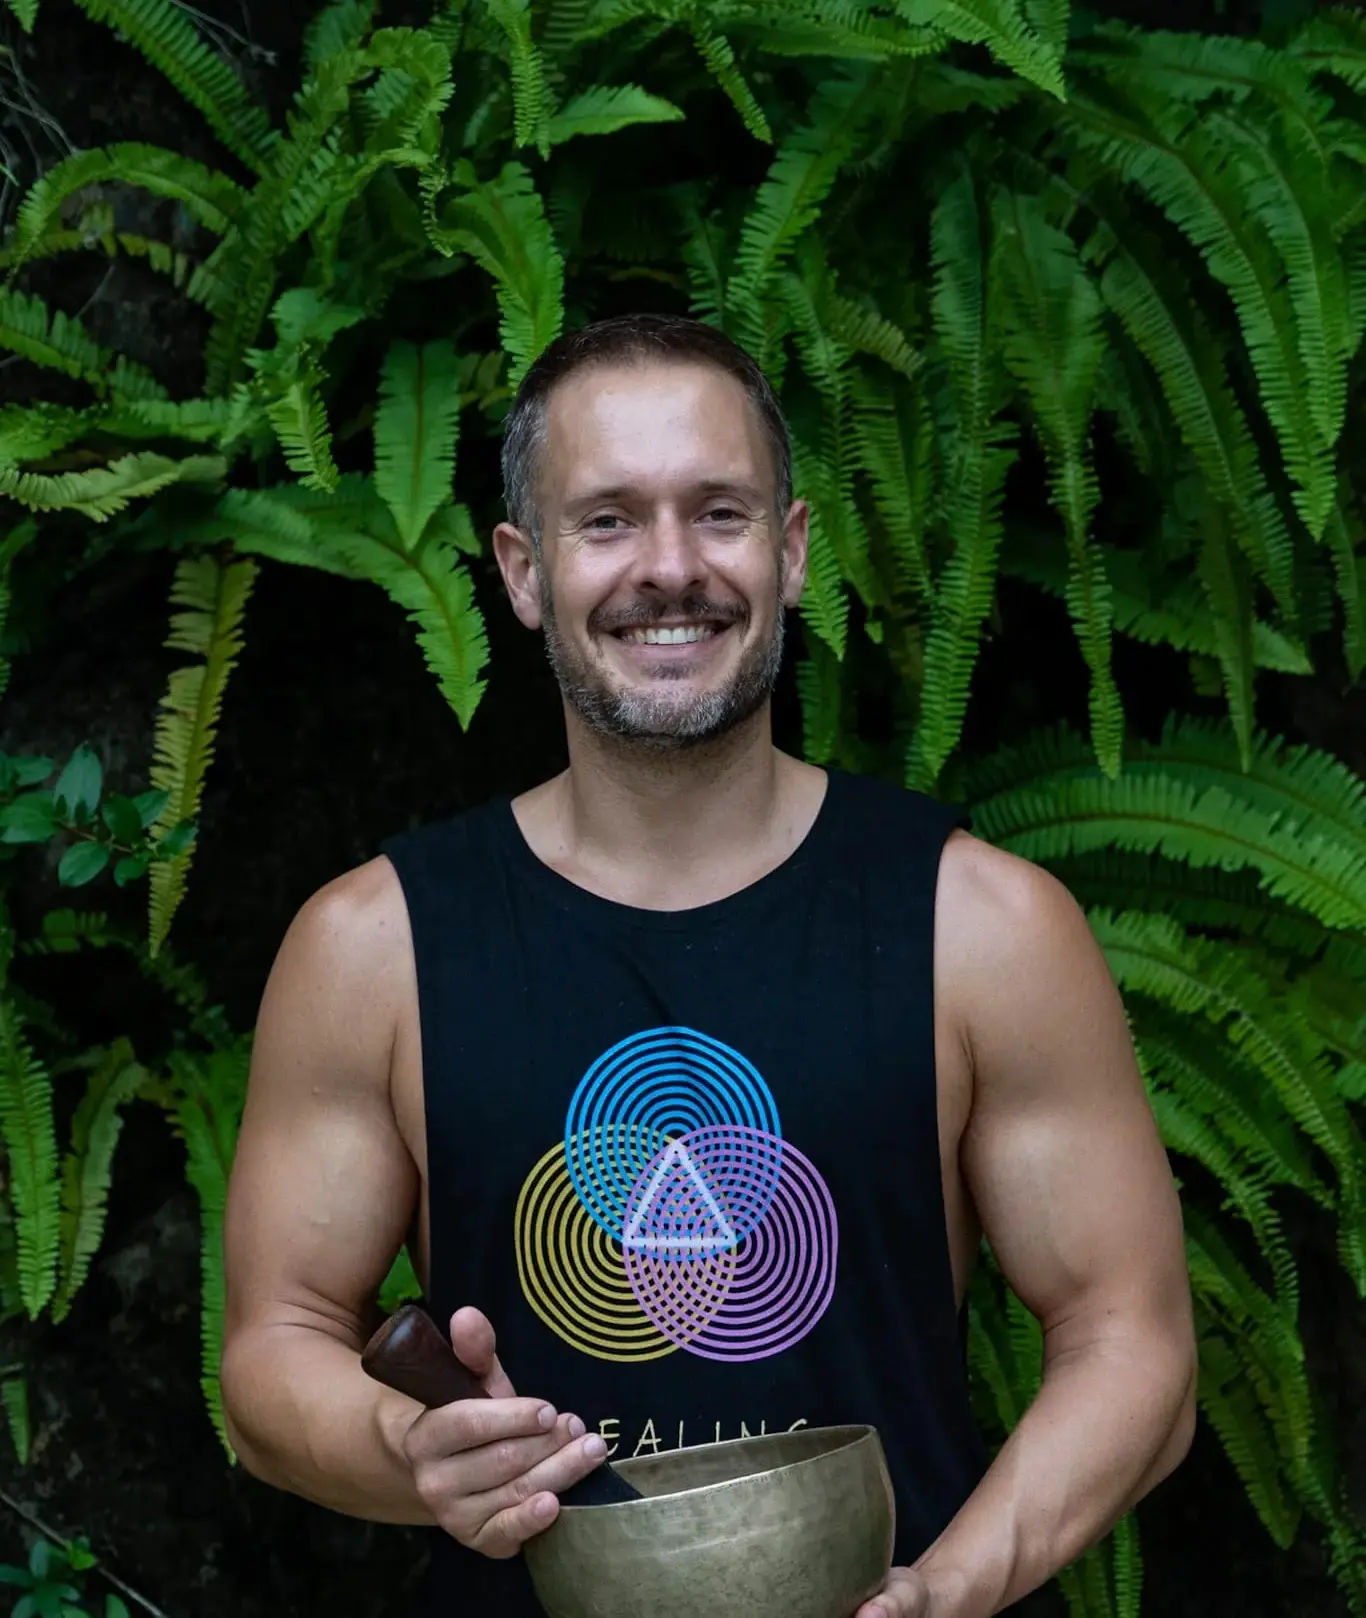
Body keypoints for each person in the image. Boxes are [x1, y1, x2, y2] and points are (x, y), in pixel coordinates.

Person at [220, 313, 1197, 1618]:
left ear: (790, 550)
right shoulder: (374, 945)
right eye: (608, 520)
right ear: (522, 570)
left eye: (718, 512)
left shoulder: (979, 924)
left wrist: (955, 1587)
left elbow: (1132, 1340)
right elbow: (274, 1348)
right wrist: (409, 1450)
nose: (670, 568)